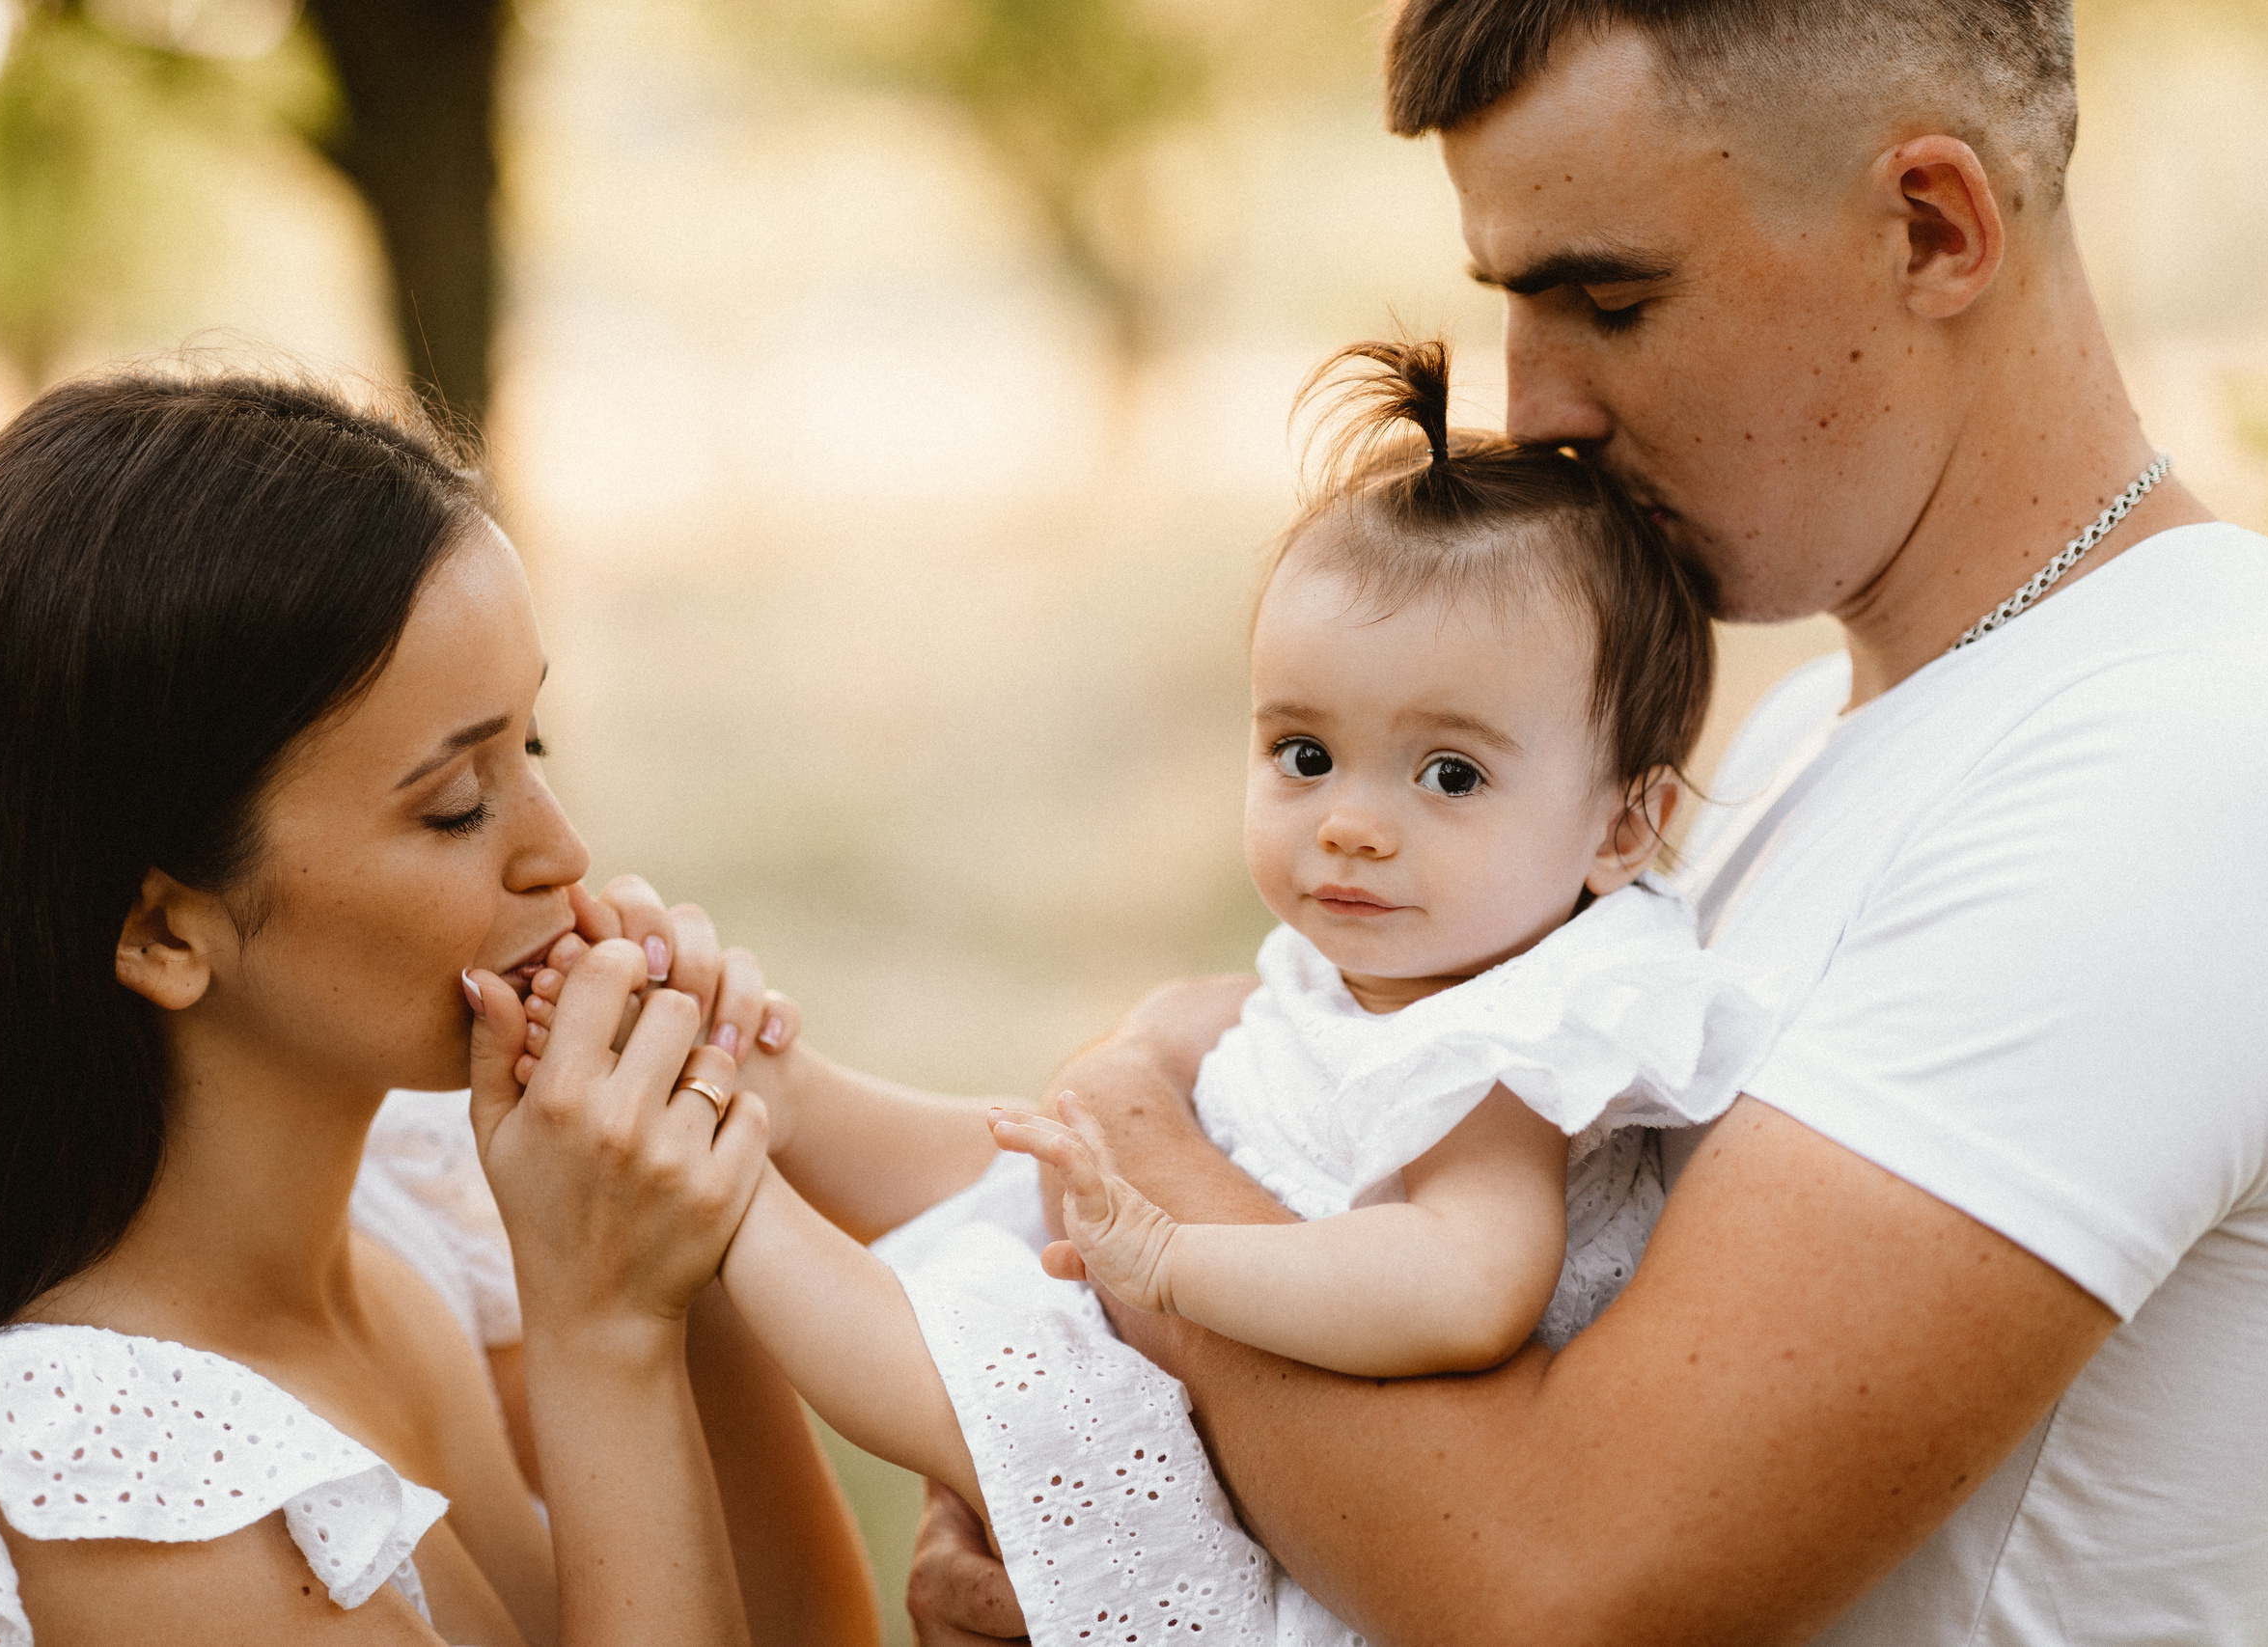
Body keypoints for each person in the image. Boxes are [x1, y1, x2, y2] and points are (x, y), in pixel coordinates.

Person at [903, 1, 2268, 1643]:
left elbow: (1554, 1579)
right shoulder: (1809, 725)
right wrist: (1102, 1521)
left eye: (1612, 300)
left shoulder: (2184, 774)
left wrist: (1131, 1148)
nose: (1537, 404)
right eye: (1513, 301)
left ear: (1933, 228)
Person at [513, 339, 1776, 1644]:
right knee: (1041, 1173)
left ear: (1624, 827)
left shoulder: (1515, 1040)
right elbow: (1062, 1176)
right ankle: (774, 1098)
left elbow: (1466, 1285)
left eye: (1450, 775)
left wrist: (1173, 1261)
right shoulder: (1394, 972)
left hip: (1326, 1539)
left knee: (991, 1375)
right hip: (1229, 1397)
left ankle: (723, 1192)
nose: (1349, 823)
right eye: (1305, 753)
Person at [0, 371, 877, 1647]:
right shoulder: (99, 1481)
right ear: (161, 929)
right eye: (456, 806)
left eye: (530, 747)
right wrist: (603, 1323)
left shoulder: (405, 1244)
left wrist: (683, 1204)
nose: (562, 852)